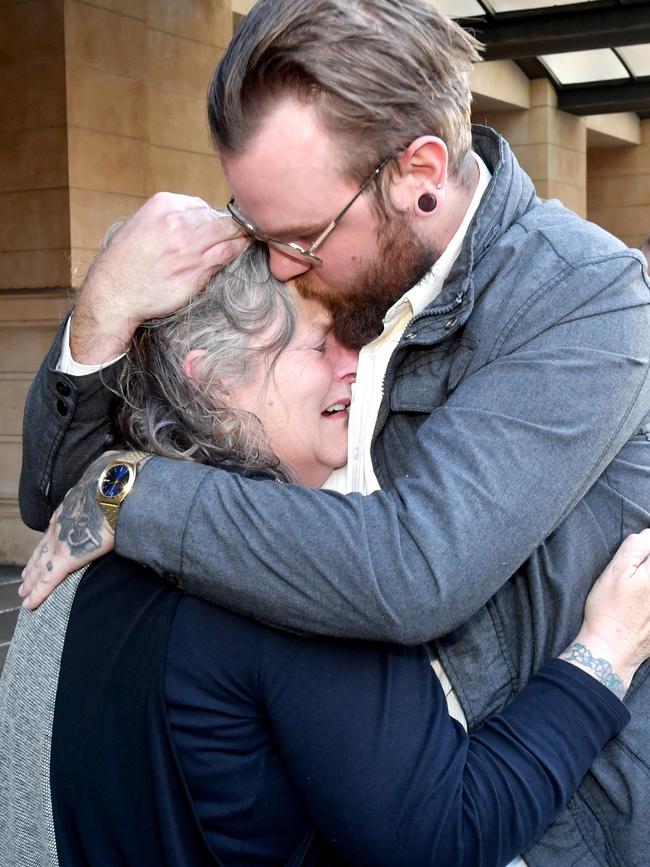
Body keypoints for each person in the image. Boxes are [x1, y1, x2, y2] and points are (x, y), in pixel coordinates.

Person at [17, 2, 650, 864]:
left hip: (565, 828)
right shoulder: (337, 246)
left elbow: (412, 570)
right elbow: (54, 492)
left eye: (299, 239)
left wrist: (132, 489)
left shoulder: (581, 296)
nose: (278, 265)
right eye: (255, 227)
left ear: (419, 170)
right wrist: (102, 314)